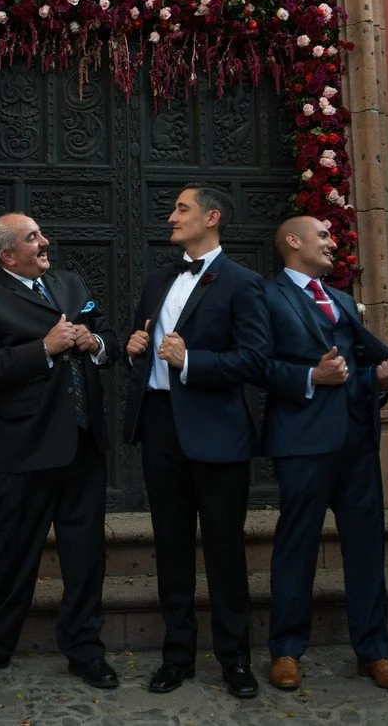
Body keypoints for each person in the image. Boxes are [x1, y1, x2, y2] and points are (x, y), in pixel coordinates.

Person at [0, 213, 122, 690]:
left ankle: (86, 650)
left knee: (85, 555)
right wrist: (43, 348)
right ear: (7, 255)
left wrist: (96, 342)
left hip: (83, 445)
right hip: (26, 446)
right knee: (12, 553)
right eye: (33, 238)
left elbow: (104, 330)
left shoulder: (69, 282)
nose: (45, 241)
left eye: (41, 233)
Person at [122, 183, 270, 699]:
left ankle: (235, 659)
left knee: (225, 550)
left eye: (181, 209)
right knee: (171, 546)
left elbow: (256, 360)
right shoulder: (160, 278)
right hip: (160, 426)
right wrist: (134, 347)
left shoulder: (243, 283)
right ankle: (176, 655)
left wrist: (196, 362)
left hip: (218, 432)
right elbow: (144, 341)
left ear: (212, 217)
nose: (171, 216)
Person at [260, 215, 388, 693]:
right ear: (292, 241)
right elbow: (256, 364)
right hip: (302, 443)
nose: (332, 242)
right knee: (296, 549)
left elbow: (356, 372)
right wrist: (309, 378)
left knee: (366, 549)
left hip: (356, 443)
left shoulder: (344, 301)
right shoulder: (266, 296)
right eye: (322, 235)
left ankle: (375, 652)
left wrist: (380, 382)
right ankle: (285, 650)